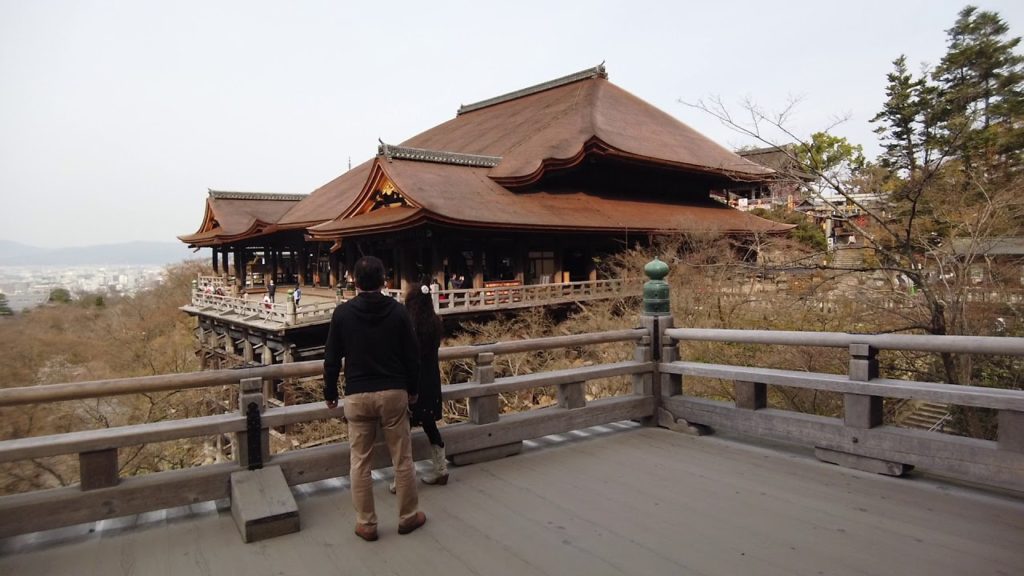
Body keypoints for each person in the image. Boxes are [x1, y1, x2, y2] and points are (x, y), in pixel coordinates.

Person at [323, 256, 426, 541]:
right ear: (384, 280)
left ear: (355, 281)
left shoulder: (342, 314)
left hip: (357, 393)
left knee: (359, 462)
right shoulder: (398, 311)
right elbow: (412, 355)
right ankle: (408, 516)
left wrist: (330, 393)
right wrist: (413, 389)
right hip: (393, 391)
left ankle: (366, 523)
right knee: (402, 458)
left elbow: (331, 359)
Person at [389, 281, 448, 493]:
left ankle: (402, 478)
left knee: (403, 430)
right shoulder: (435, 323)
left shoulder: (408, 324)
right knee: (429, 423)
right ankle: (441, 468)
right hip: (431, 379)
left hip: (411, 380)